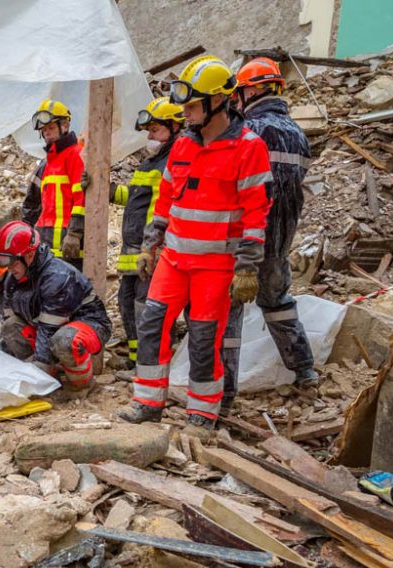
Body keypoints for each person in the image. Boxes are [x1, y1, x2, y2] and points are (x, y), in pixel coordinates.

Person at [120, 56, 272, 437]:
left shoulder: (248, 148)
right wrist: (150, 246)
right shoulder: (184, 146)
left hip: (215, 265)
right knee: (152, 325)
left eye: (191, 105)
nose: (185, 113)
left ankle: (202, 412)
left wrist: (247, 267)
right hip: (173, 259)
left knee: (205, 338)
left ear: (217, 103)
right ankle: (147, 402)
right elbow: (165, 201)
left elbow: (257, 213)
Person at [220, 57, 317, 414]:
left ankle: (224, 395)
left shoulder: (248, 130)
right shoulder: (298, 134)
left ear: (254, 89)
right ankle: (304, 369)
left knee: (228, 315)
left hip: (245, 238)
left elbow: (237, 187)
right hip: (279, 240)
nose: (236, 99)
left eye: (240, 91)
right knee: (278, 305)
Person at [110, 97, 184, 368]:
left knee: (147, 306)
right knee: (127, 303)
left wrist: (156, 247)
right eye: (149, 131)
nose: (149, 137)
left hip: (152, 249)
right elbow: (136, 199)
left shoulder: (173, 163)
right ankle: (136, 360)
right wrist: (108, 192)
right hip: (133, 249)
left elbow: (169, 208)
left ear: (175, 127)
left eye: (155, 130)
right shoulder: (150, 163)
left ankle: (152, 364)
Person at [0, 221, 111, 391]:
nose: (8, 267)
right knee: (9, 327)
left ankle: (81, 386)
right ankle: (51, 375)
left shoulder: (57, 277)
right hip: (52, 328)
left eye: (11, 260)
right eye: (3, 260)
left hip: (89, 324)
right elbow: (7, 320)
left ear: (29, 255)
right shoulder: (14, 278)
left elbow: (48, 329)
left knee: (63, 341)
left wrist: (39, 368)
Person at [20, 99, 86, 269]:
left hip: (67, 245)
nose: (47, 133)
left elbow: (82, 198)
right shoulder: (47, 163)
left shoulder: (76, 155)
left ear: (64, 126)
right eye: (44, 130)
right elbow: (33, 204)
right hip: (45, 243)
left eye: (50, 128)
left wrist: (74, 233)